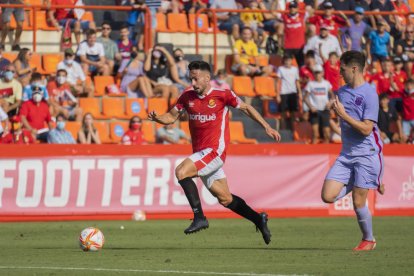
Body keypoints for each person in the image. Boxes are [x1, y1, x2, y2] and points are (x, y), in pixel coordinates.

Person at [148, 60, 281, 244]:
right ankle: (259, 219)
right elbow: (171, 116)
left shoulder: (222, 95)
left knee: (181, 171)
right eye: (190, 79)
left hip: (215, 151)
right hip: (201, 154)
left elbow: (246, 108)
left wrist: (266, 126)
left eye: (195, 79)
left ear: (207, 78)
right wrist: (158, 118)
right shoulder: (187, 96)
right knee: (225, 199)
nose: (192, 83)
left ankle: (199, 217)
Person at [322, 50, 384, 251]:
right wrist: (337, 113)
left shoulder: (370, 94)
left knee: (358, 201)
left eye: (343, 69)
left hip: (366, 153)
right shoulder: (341, 92)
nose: (340, 72)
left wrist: (343, 115)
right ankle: (363, 181)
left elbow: (367, 129)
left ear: (354, 68)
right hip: (347, 154)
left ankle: (369, 240)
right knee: (327, 196)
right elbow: (344, 122)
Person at [304, 64, 333, 144]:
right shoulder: (311, 84)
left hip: (324, 110)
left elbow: (332, 95)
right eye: (316, 73)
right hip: (315, 111)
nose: (317, 74)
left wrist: (330, 102)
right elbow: (305, 98)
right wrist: (311, 107)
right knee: (315, 135)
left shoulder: (326, 83)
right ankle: (314, 155)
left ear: (322, 73)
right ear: (313, 74)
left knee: (327, 134)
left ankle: (326, 153)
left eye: (319, 72)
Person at [275, 54, 301, 130]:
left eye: (289, 60)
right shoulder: (280, 69)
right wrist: (278, 94)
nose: (287, 62)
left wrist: (299, 92)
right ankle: (283, 130)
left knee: (293, 113)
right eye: (286, 60)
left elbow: (297, 81)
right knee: (283, 113)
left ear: (291, 61)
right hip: (283, 93)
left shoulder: (295, 69)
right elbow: (277, 82)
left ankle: (293, 130)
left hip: (293, 93)